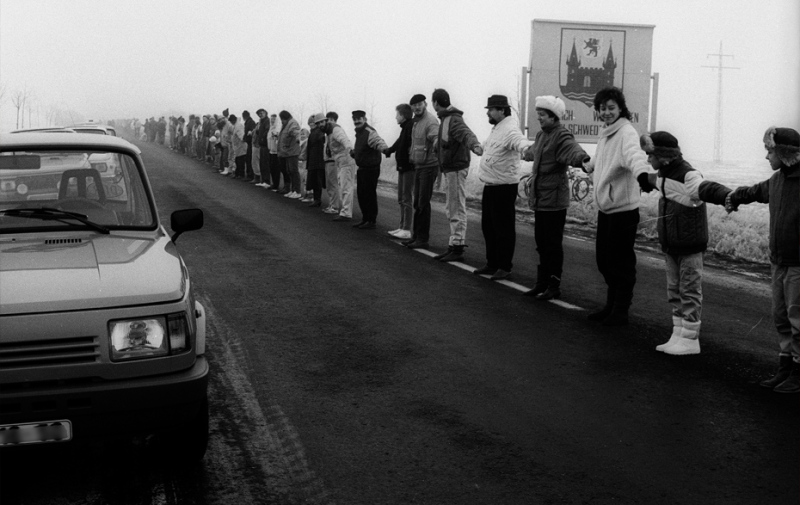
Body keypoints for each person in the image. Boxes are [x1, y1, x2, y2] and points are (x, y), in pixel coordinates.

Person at [639, 131, 732, 355]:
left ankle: (690, 339)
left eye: (650, 155)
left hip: (690, 245)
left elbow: (706, 188)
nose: (648, 159)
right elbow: (652, 180)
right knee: (674, 290)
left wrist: (728, 196)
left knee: (689, 290)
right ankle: (678, 333)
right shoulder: (663, 173)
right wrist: (642, 179)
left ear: (663, 155)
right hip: (671, 244)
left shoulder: (688, 174)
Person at [727, 127, 800, 392]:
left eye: (769, 151)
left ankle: (798, 372)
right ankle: (785, 367)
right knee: (780, 315)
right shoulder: (777, 180)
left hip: (798, 263)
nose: (766, 156)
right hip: (778, 259)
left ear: (784, 152)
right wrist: (734, 196)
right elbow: (756, 192)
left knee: (797, 318)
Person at [581, 87, 652, 326]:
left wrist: (643, 175)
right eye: (602, 108)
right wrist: (588, 165)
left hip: (623, 210)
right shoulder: (607, 132)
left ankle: (620, 310)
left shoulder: (626, 132)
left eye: (611, 108)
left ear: (621, 108)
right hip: (607, 209)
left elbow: (634, 156)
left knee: (620, 262)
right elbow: (601, 159)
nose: (606, 112)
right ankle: (611, 305)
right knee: (604, 261)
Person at [523, 95, 590, 299]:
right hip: (541, 198)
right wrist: (525, 152)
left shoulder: (561, 135)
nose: (539, 118)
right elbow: (534, 152)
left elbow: (573, 151)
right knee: (541, 243)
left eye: (542, 114)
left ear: (553, 116)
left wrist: (584, 160)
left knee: (552, 244)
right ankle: (541, 283)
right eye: (538, 114)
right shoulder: (542, 135)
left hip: (554, 200)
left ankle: (554, 285)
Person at [473, 94, 533, 280]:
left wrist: (527, 149)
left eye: (491, 110)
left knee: (503, 229)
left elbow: (519, 141)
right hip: (491, 185)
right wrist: (475, 146)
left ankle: (504, 266)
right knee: (489, 227)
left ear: (502, 110)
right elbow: (484, 148)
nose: (488, 113)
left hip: (504, 187)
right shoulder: (497, 129)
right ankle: (492, 263)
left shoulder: (509, 129)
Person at [431, 88, 483, 262]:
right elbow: (448, 140)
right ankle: (454, 245)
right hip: (451, 168)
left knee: (456, 207)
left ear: (435, 103)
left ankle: (458, 247)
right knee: (452, 207)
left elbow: (465, 133)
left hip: (456, 168)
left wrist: (475, 145)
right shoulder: (446, 119)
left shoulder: (452, 119)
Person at [403, 94, 440, 249]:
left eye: (419, 104)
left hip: (429, 166)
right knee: (417, 202)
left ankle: (422, 239)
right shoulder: (416, 122)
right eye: (414, 105)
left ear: (425, 104)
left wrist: (437, 142)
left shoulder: (430, 121)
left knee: (423, 203)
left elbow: (435, 136)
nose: (417, 107)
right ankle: (416, 236)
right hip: (419, 166)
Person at [350, 110, 389, 229]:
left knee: (369, 194)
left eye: (359, 119)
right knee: (361, 194)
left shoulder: (369, 131)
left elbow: (378, 142)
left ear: (365, 119)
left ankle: (371, 220)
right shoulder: (359, 133)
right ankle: (365, 218)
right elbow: (364, 148)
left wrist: (385, 149)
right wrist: (355, 153)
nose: (357, 121)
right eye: (355, 119)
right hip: (362, 168)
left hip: (371, 168)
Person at [384, 103, 415, 240]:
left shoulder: (410, 126)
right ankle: (402, 227)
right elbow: (399, 142)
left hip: (409, 167)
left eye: (397, 114)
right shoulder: (405, 127)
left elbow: (409, 144)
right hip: (403, 167)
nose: (396, 117)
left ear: (403, 115)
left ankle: (406, 229)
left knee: (406, 198)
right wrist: (390, 150)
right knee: (401, 198)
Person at [322, 112, 357, 221]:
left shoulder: (335, 129)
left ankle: (346, 213)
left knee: (346, 187)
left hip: (346, 160)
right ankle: (345, 211)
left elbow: (344, 140)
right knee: (343, 186)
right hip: (340, 161)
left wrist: (350, 149)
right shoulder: (328, 132)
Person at [321, 112, 342, 215]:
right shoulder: (328, 133)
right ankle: (332, 204)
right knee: (329, 184)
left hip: (333, 160)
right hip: (328, 160)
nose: (329, 122)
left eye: (330, 119)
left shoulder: (336, 131)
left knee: (333, 183)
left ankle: (335, 206)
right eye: (327, 120)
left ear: (334, 120)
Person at [305, 113, 327, 207]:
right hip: (313, 160)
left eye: (313, 123)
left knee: (317, 181)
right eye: (310, 123)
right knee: (314, 180)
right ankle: (316, 199)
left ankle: (317, 199)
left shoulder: (318, 132)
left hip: (318, 160)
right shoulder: (313, 132)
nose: (311, 125)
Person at [278, 110, 302, 198]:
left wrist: (298, 138)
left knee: (293, 171)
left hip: (292, 152)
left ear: (285, 118)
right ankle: (293, 190)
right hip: (287, 152)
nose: (281, 121)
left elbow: (296, 132)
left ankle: (297, 191)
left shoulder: (292, 123)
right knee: (289, 171)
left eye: (282, 119)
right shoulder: (286, 124)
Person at [255, 109, 271, 187]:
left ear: (265, 113)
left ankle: (267, 181)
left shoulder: (267, 121)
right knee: (262, 163)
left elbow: (267, 130)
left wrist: (262, 138)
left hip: (265, 144)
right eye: (259, 114)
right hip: (261, 144)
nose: (260, 115)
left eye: (261, 113)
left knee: (265, 163)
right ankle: (263, 180)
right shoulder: (261, 122)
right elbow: (259, 132)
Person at [230, 114, 248, 179]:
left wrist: (242, 139)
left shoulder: (238, 126)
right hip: (238, 146)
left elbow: (241, 136)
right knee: (238, 160)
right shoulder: (236, 125)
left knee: (240, 160)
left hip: (241, 145)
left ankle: (241, 174)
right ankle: (238, 173)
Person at [268, 114, 282, 191]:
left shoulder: (278, 128)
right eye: (271, 119)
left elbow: (277, 137)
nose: (272, 121)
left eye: (274, 119)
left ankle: (276, 184)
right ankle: (273, 183)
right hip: (271, 150)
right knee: (272, 168)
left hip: (276, 151)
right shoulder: (271, 128)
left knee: (276, 169)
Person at [243, 111, 256, 181]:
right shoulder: (250, 122)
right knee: (248, 159)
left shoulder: (250, 122)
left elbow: (251, 132)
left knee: (249, 159)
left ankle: (250, 175)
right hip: (249, 143)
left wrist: (246, 137)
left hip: (250, 143)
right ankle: (249, 175)